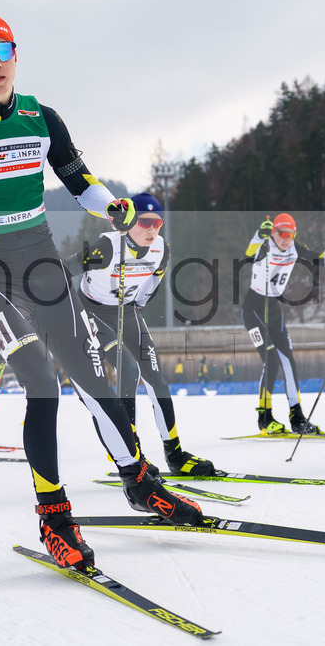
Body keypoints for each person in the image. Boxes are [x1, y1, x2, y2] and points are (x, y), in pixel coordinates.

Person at [0, 12, 201, 570]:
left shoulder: (42, 116)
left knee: (92, 375)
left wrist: (112, 205)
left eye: (3, 52)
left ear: (16, 55)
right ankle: (55, 517)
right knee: (41, 381)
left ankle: (140, 482)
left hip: (40, 258)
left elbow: (79, 181)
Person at [76, 191, 216, 476]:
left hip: (126, 311)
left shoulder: (162, 249)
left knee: (155, 378)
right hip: (92, 312)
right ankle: (133, 454)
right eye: (144, 222)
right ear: (128, 222)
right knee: (128, 372)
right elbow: (64, 270)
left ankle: (175, 454)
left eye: (158, 222)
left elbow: (155, 279)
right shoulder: (108, 245)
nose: (152, 229)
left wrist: (138, 305)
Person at [241, 213, 325, 435]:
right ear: (273, 232)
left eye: (291, 235)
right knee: (271, 360)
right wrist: (259, 235)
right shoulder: (265, 245)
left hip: (274, 308)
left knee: (288, 361)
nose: (286, 239)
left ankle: (297, 417)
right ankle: (264, 417)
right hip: (253, 309)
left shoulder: (294, 248)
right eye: (282, 234)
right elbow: (249, 254)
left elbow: (321, 257)